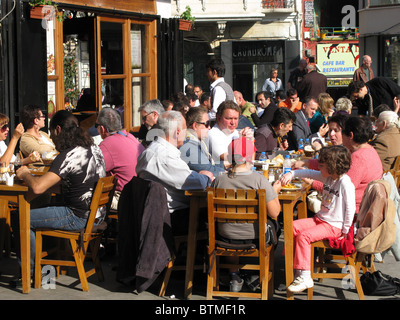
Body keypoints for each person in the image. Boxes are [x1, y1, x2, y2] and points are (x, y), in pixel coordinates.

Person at [13, 110, 106, 282]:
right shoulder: (93, 148)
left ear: (58, 130)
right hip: (97, 216)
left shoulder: (68, 156)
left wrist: (25, 173)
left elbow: (39, 188)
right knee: (32, 209)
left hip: (78, 217)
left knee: (22, 217)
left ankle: (31, 273)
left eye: (51, 132)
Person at [280, 145, 355, 293]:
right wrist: (292, 174)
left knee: (304, 236)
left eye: (322, 165)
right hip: (321, 219)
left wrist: (345, 232)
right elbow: (309, 172)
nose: (319, 168)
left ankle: (305, 276)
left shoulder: (345, 183)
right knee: (291, 227)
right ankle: (294, 268)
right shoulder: (328, 176)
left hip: (334, 225)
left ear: (333, 166)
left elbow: (350, 209)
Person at [211, 136, 282, 292]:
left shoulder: (218, 181)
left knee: (231, 225)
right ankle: (260, 273)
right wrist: (274, 192)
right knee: (275, 226)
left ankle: (234, 274)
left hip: (224, 235)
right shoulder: (259, 180)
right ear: (251, 157)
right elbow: (275, 212)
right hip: (254, 237)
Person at [136, 110, 213, 235]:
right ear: (177, 132)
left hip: (157, 215)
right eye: (185, 131)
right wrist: (206, 177)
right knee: (219, 217)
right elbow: (196, 182)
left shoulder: (150, 151)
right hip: (170, 218)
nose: (187, 135)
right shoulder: (164, 155)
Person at [96, 107, 145, 210]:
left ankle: (97, 224)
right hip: (140, 195)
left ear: (102, 128)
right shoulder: (130, 136)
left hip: (124, 198)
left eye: (96, 126)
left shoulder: (107, 144)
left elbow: (92, 171)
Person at [180, 107, 225, 177]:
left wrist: (230, 164)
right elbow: (209, 169)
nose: (209, 127)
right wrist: (232, 174)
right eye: (207, 124)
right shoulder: (188, 146)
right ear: (195, 126)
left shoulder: (197, 141)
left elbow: (211, 164)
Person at [208, 100, 253, 165]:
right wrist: (244, 141)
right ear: (218, 118)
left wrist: (250, 140)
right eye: (228, 118)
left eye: (236, 118)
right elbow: (230, 159)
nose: (233, 123)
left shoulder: (236, 133)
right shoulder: (212, 134)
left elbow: (251, 160)